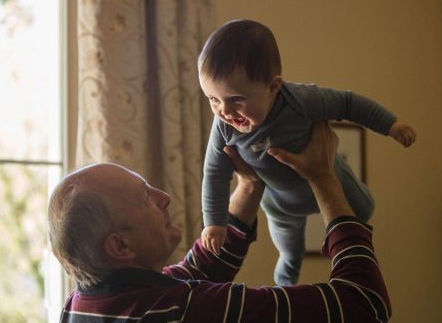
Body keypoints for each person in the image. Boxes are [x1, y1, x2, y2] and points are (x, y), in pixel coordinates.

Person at [48, 122, 391, 322]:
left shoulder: (83, 305)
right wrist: (323, 178)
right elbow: (364, 303)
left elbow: (202, 268)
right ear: (120, 246)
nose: (163, 197)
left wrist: (249, 185)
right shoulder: (182, 311)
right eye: (145, 198)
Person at [199, 19, 416, 285]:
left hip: (330, 175)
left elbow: (348, 103)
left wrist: (390, 125)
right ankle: (285, 283)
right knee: (290, 251)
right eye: (212, 99)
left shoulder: (301, 100)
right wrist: (214, 222)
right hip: (280, 204)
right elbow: (214, 174)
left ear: (273, 87)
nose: (224, 111)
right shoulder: (223, 127)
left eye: (236, 99)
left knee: (364, 209)